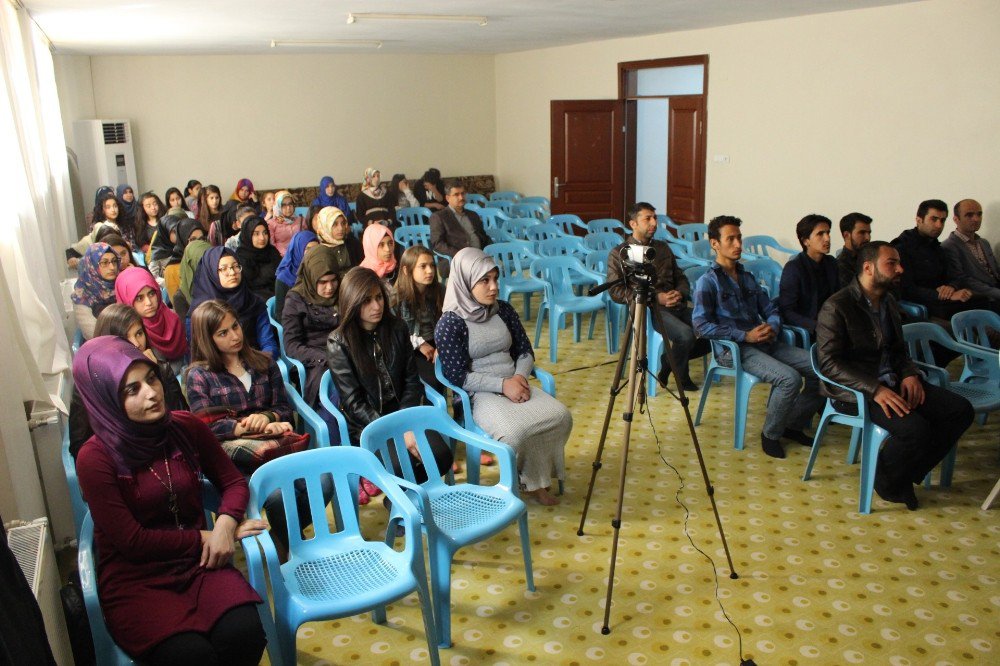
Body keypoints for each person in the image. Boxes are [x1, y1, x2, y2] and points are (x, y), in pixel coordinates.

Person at [73, 336, 267, 665]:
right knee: (190, 655)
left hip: (199, 563)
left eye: (150, 379)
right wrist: (204, 537)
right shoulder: (95, 458)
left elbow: (233, 481)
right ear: (104, 400)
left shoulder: (183, 426)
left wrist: (224, 523)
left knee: (245, 632)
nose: (151, 393)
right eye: (131, 390)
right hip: (136, 578)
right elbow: (132, 542)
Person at [816, 241, 975, 509]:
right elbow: (829, 363)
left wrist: (910, 373)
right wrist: (875, 389)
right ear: (868, 268)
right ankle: (889, 480)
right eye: (892, 263)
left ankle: (900, 473)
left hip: (894, 381)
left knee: (960, 410)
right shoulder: (837, 306)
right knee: (916, 430)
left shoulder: (888, 300)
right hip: (858, 391)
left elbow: (898, 349)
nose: (900, 269)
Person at [186, 299, 326, 555]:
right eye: (223, 333)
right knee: (278, 495)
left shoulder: (263, 362)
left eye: (235, 326)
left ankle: (282, 536)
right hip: (235, 460)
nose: (235, 336)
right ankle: (289, 545)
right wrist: (241, 428)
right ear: (208, 339)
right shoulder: (199, 376)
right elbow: (203, 426)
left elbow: (285, 408)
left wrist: (270, 419)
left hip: (276, 446)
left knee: (325, 481)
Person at [435, 248, 572, 505]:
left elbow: (524, 350)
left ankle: (535, 478)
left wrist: (519, 377)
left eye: (495, 279)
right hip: (479, 395)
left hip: (515, 382)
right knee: (515, 432)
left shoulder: (503, 310)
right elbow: (457, 377)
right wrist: (502, 385)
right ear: (465, 282)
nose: (494, 287)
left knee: (561, 417)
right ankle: (525, 481)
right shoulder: (450, 323)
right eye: (484, 281)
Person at [692, 215, 823, 459]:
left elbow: (772, 309)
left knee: (820, 369)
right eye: (730, 239)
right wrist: (744, 335)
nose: (738, 244)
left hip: (764, 341)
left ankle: (792, 424)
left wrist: (772, 326)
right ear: (714, 244)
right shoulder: (707, 282)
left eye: (739, 238)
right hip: (734, 350)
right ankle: (770, 434)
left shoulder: (748, 278)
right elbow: (700, 326)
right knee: (789, 379)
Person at [326, 267, 453, 504]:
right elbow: (354, 403)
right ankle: (404, 501)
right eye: (366, 301)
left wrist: (405, 424)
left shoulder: (397, 328)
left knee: (442, 455)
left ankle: (399, 498)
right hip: (370, 424)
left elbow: (411, 381)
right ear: (352, 303)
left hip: (404, 414)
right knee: (398, 465)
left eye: (378, 298)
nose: (376, 306)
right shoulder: (339, 341)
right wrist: (395, 431)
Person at [606, 202, 706, 390]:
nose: (654, 223)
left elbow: (680, 277)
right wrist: (656, 297)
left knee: (713, 330)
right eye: (648, 219)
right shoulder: (619, 254)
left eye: (655, 218)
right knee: (685, 335)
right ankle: (681, 376)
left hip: (676, 304)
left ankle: (668, 361)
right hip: (648, 309)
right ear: (633, 224)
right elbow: (617, 292)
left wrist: (680, 292)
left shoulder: (662, 248)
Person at [68, 304, 188, 459]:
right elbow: (79, 445)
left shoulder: (160, 369)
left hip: (165, 454)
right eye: (125, 338)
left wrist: (158, 376)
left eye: (139, 333)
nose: (136, 344)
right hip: (119, 461)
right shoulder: (91, 382)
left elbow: (181, 419)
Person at [890, 199, 991, 320]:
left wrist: (951, 287)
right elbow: (907, 289)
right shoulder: (900, 247)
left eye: (942, 220)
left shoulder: (937, 247)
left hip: (944, 302)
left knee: (985, 302)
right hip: (923, 306)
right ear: (919, 220)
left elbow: (954, 276)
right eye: (934, 219)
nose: (939, 225)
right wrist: (944, 294)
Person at [189, 247, 279, 358]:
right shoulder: (200, 314)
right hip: (219, 369)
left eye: (235, 266)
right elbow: (202, 357)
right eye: (224, 268)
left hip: (256, 361)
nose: (232, 272)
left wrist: (258, 363)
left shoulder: (253, 302)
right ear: (211, 273)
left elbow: (268, 343)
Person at [282, 247, 341, 406]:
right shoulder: (296, 300)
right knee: (331, 381)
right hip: (313, 358)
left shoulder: (343, 292)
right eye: (322, 282)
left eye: (333, 280)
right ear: (311, 277)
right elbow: (291, 344)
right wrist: (324, 358)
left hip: (343, 349)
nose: (330, 288)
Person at [115, 267, 188, 370]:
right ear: (126, 300)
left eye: (152, 294)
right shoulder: (124, 333)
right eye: (139, 298)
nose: (149, 303)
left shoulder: (172, 318)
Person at [778, 214, 839, 336]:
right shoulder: (794, 268)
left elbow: (838, 296)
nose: (827, 238)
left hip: (833, 322)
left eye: (828, 233)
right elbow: (786, 311)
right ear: (806, 241)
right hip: (811, 328)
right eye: (820, 234)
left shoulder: (831, 262)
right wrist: (816, 326)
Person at [394, 245, 444, 389]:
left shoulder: (440, 290)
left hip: (438, 342)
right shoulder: (397, 297)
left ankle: (459, 408)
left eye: (432, 266)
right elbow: (394, 334)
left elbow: (450, 322)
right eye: (423, 266)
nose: (430, 271)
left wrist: (442, 345)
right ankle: (431, 410)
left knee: (458, 371)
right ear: (406, 270)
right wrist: (418, 343)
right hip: (411, 349)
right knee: (433, 380)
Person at [942, 198, 1000, 309]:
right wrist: (997, 293)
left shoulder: (984, 243)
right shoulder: (949, 246)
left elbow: (995, 271)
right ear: (956, 219)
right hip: (981, 299)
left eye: (979, 214)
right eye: (969, 215)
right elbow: (963, 279)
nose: (976, 219)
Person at [429, 180, 490, 278]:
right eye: (456, 194)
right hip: (455, 259)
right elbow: (437, 244)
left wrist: (491, 250)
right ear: (448, 198)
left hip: (479, 256)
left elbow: (483, 236)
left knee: (499, 267)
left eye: (463, 194)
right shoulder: (439, 217)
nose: (461, 197)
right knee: (483, 274)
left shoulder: (473, 215)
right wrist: (460, 254)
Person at [72, 243, 120, 339]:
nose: (112, 267)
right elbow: (93, 334)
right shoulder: (82, 295)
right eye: (104, 263)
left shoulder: (121, 284)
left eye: (114, 261)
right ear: (92, 265)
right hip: (102, 346)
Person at [67, 191, 124, 268]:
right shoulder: (101, 227)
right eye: (108, 207)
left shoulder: (122, 226)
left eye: (115, 206)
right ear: (102, 210)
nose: (113, 210)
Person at [234, 216, 282, 300]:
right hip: (254, 301)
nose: (262, 238)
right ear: (248, 235)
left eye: (265, 233)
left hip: (278, 296)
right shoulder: (241, 257)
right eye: (256, 234)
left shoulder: (272, 252)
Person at [273, 230, 318, 317]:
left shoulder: (319, 270)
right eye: (308, 249)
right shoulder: (283, 278)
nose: (313, 253)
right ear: (298, 250)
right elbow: (279, 313)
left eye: (315, 249)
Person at [314, 206, 363, 277]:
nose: (341, 228)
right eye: (334, 224)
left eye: (343, 223)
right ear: (325, 226)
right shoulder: (319, 251)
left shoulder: (353, 244)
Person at [836, 212, 872, 287]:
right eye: (862, 233)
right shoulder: (841, 265)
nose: (867, 238)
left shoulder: (871, 258)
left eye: (869, 233)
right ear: (846, 235)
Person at [267, 191, 305, 255]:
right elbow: (271, 247)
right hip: (281, 258)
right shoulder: (271, 224)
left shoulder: (301, 220)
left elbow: (306, 239)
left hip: (301, 255)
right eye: (283, 205)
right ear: (277, 206)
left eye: (290, 204)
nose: (288, 208)